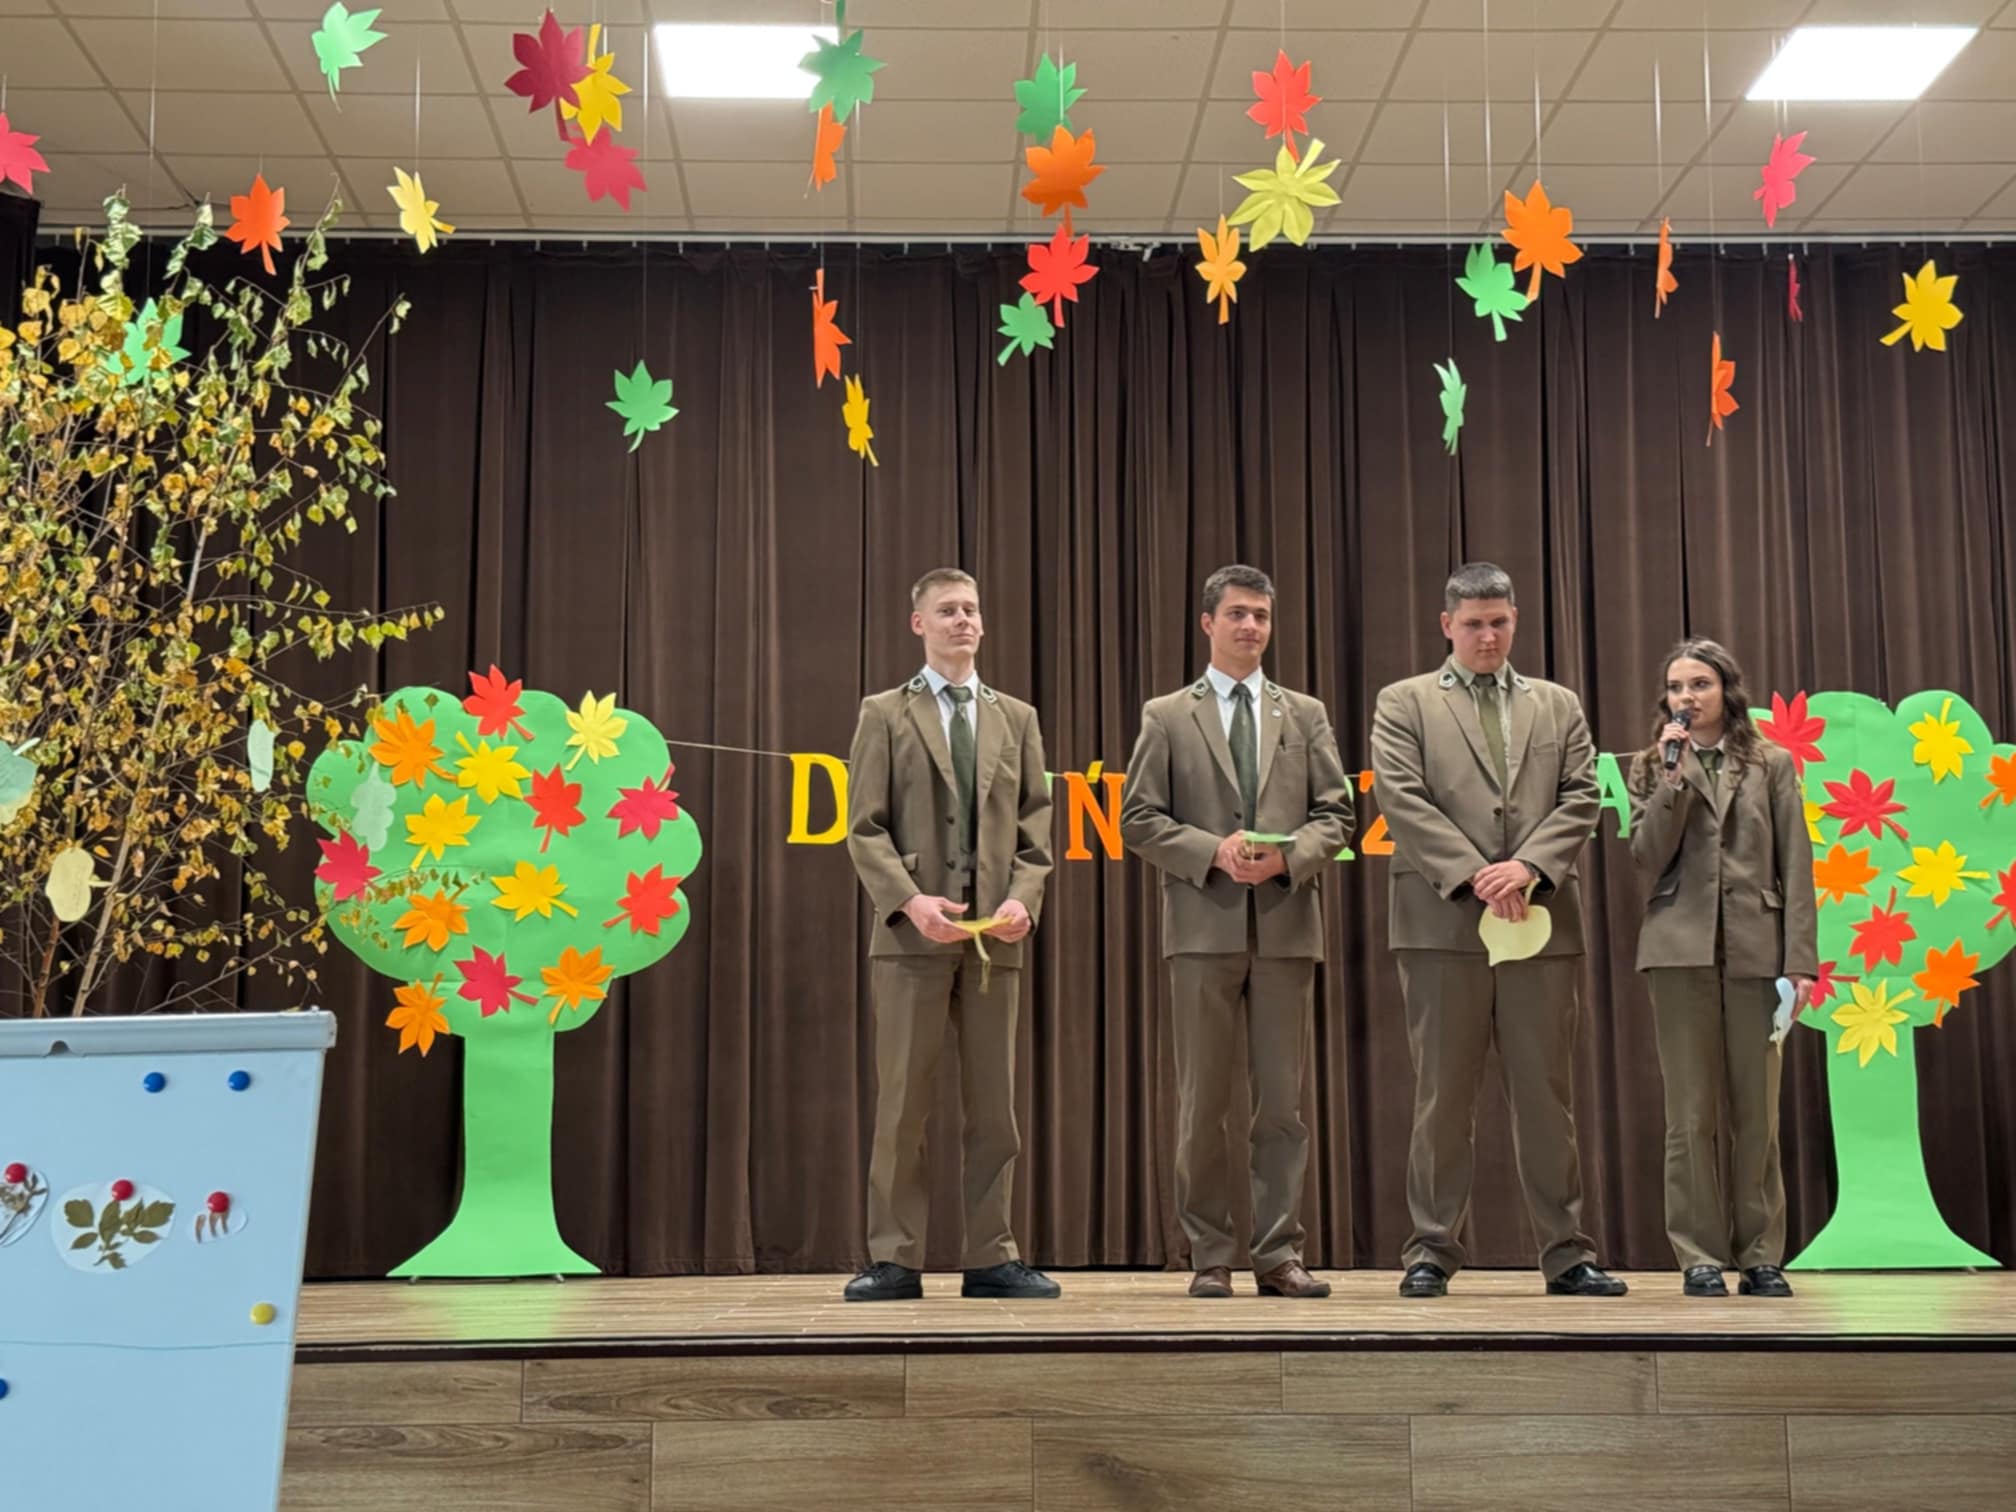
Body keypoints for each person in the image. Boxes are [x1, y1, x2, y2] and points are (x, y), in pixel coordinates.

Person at [1370, 562, 1626, 1298]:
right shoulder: (1405, 702)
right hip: (1441, 923)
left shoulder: (1558, 704)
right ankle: (1430, 1251)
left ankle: (1567, 1254)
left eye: (1499, 622)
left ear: (1515, 620)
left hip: (1541, 923)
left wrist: (1530, 867)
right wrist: (1478, 874)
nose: (1487, 636)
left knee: (1547, 1096)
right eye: (1474, 624)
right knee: (1442, 1097)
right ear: (1446, 625)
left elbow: (1581, 795)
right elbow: (1402, 796)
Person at [1120, 565, 1354, 1299]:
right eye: (1237, 614)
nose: (1251, 626)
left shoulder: (1305, 714)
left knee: (1281, 1105)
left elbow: (1337, 815)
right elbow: (1138, 818)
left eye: (1261, 615)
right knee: (1202, 1105)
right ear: (1207, 623)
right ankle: (1210, 1255)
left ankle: (1279, 1253)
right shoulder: (1167, 715)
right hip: (1201, 929)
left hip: (1286, 927)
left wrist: (1290, 857)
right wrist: (1209, 852)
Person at [841, 568, 1059, 1302]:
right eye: (947, 610)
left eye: (970, 609)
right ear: (920, 625)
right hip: (912, 940)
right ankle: (893, 1260)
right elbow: (864, 827)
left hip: (995, 940)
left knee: (995, 1109)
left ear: (982, 623)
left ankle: (992, 1257)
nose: (962, 620)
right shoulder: (884, 713)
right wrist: (908, 901)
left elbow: (1035, 828)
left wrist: (1023, 898)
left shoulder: (1016, 717)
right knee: (904, 1104)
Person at [1628, 638, 1817, 1299]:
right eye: (1676, 687)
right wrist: (1673, 781)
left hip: (1757, 952)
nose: (1687, 697)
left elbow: (1796, 862)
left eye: (1700, 684)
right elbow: (1647, 855)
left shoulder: (1771, 763)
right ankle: (1698, 1255)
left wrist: (1801, 961)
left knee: (1757, 1113)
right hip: (1678, 952)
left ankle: (1761, 1254)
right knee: (1689, 1115)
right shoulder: (1652, 766)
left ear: (1726, 690)